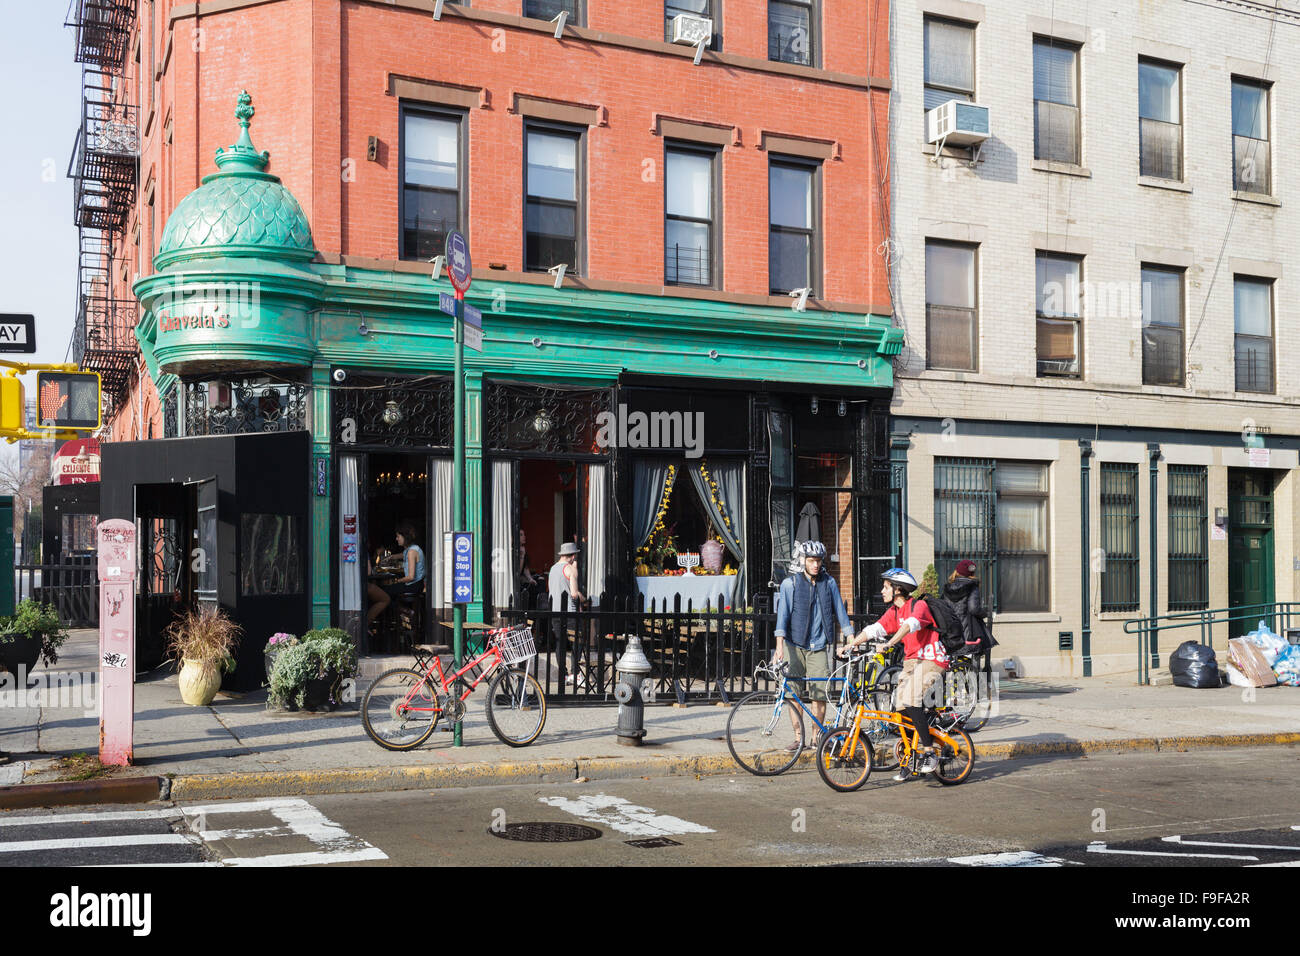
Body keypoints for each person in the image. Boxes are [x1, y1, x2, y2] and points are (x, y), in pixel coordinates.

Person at [841, 567, 950, 780]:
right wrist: (850, 645)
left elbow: (911, 625)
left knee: (910, 698)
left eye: (886, 587)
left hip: (932, 659)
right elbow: (874, 629)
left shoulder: (918, 606)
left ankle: (929, 753)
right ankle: (911, 757)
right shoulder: (894, 612)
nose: (882, 591)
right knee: (900, 707)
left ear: (898, 589)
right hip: (911, 661)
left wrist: (890, 643)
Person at [774, 540, 856, 752]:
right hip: (794, 645)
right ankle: (798, 737)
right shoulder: (790, 584)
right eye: (811, 561)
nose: (815, 565)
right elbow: (782, 616)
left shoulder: (828, 583)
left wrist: (849, 637)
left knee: (819, 694)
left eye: (818, 561)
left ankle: (815, 737)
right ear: (803, 561)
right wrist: (780, 646)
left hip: (818, 645)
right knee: (794, 694)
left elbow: (840, 611)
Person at [366, 522, 426, 631]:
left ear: (405, 537)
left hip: (413, 585)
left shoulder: (412, 552)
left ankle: (405, 612)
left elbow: (411, 576)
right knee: (387, 592)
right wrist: (389, 557)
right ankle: (401, 612)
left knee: (383, 593)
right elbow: (399, 555)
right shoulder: (410, 549)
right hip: (413, 584)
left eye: (398, 536)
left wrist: (396, 581)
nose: (396, 539)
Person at [942, 559, 998, 675]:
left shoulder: (947, 588)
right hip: (969, 632)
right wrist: (986, 613)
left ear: (956, 571)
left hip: (952, 633)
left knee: (955, 661)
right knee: (974, 660)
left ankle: (956, 682)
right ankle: (972, 685)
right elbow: (974, 609)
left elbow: (943, 608)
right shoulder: (972, 587)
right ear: (971, 573)